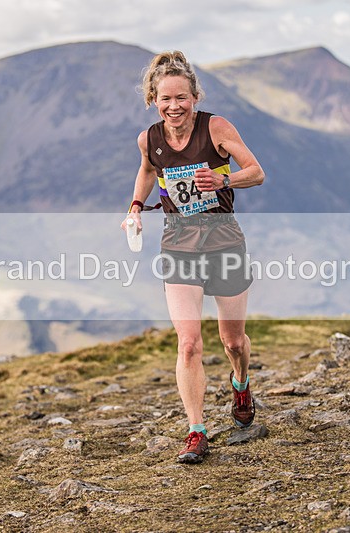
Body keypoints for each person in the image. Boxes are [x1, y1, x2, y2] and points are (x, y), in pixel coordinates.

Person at [122, 51, 265, 463]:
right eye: (165, 98)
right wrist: (135, 205)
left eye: (181, 97)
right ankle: (196, 431)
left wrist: (222, 177)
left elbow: (256, 171)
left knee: (232, 340)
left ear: (195, 96)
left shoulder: (216, 127)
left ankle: (240, 383)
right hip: (178, 243)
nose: (174, 106)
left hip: (224, 241)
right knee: (188, 344)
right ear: (153, 98)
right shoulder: (148, 139)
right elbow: (149, 170)